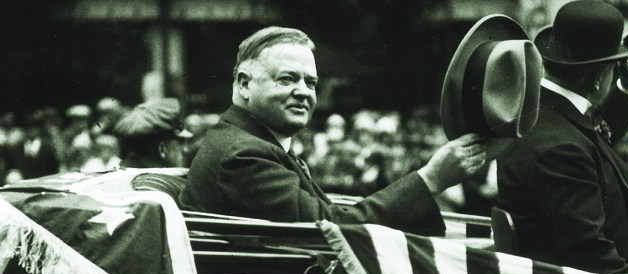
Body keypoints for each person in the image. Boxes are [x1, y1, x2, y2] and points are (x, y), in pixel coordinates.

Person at [180, 26, 487, 236]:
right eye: (287, 79)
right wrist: (431, 179)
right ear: (245, 84)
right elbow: (331, 230)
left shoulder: (245, 141)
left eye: (311, 82)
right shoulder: (242, 155)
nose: (304, 92)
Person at [496, 0, 628, 274]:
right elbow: (594, 260)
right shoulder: (560, 148)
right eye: (612, 69)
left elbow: (590, 138)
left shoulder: (541, 115)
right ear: (598, 77)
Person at [113, 98, 194, 168]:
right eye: (181, 142)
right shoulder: (168, 181)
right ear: (162, 148)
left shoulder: (111, 176)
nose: (186, 150)